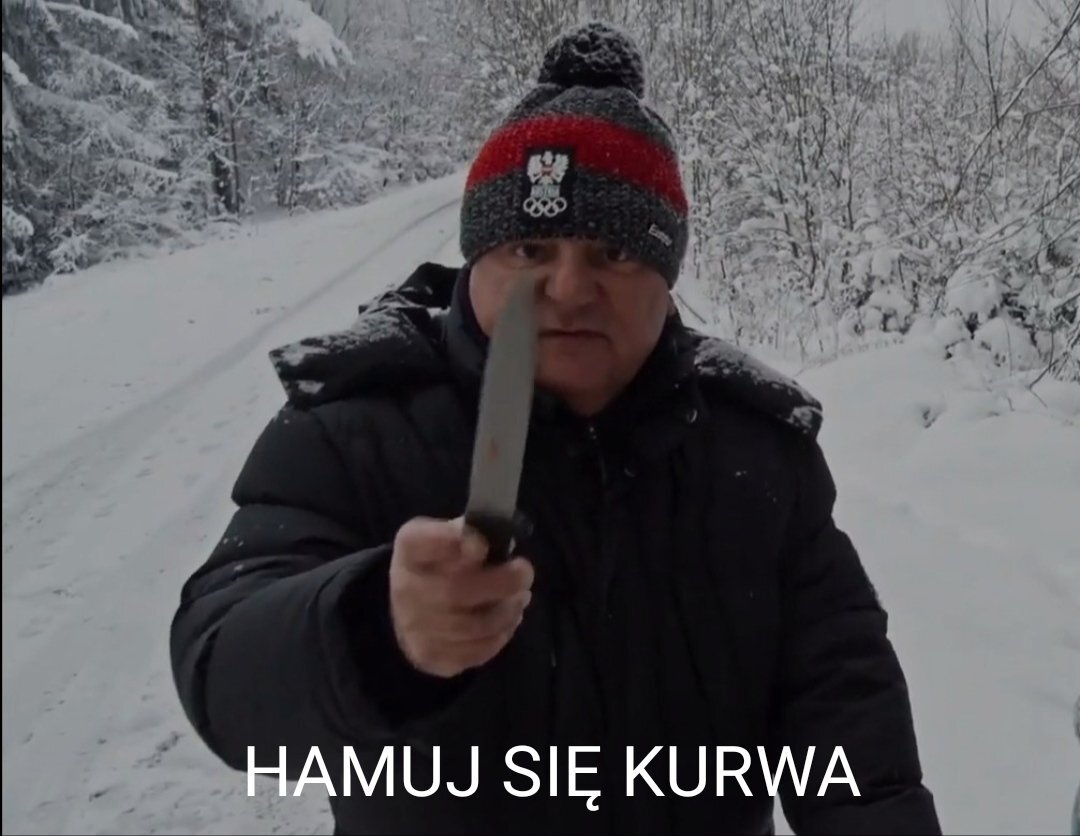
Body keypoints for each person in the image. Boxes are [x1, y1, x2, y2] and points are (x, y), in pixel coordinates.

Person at [170, 21, 940, 836]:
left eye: (614, 254)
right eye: (530, 248)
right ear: (477, 260)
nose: (568, 289)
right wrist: (373, 630)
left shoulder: (756, 454)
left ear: (667, 279)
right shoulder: (357, 426)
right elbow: (225, 677)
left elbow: (850, 728)